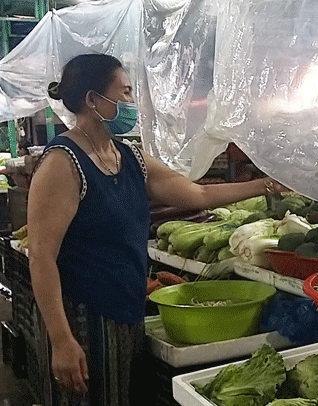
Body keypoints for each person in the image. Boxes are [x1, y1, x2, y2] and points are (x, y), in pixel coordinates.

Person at [28, 53, 288, 405]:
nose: (132, 103)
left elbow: (198, 193)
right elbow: (42, 256)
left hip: (127, 311)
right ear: (92, 100)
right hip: (82, 318)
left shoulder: (130, 156)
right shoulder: (63, 162)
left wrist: (265, 185)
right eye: (125, 93)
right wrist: (60, 339)